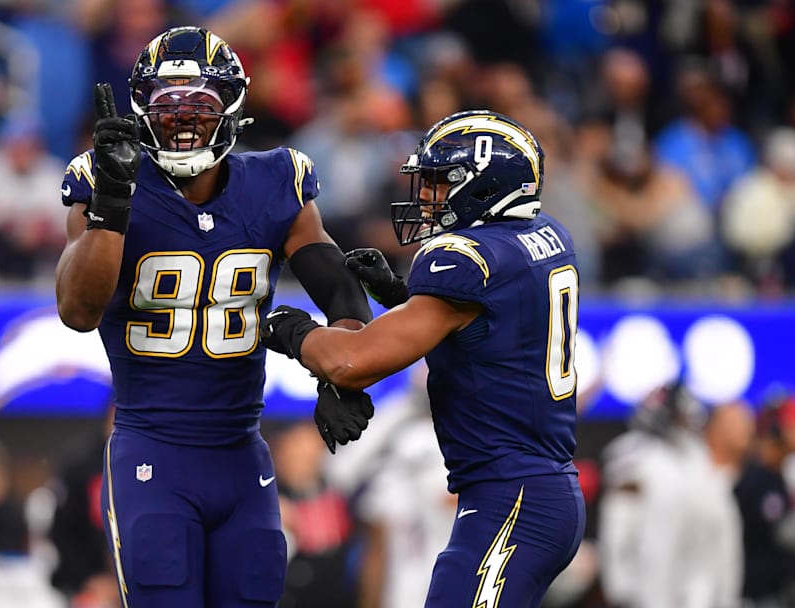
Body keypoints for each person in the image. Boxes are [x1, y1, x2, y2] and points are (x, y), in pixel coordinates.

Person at [53, 26, 374, 607]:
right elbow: (78, 310)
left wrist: (345, 372)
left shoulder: (276, 182)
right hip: (152, 454)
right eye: (167, 104)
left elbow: (339, 290)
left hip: (242, 453)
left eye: (199, 103)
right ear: (141, 111)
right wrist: (112, 203)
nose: (183, 118)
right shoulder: (105, 177)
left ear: (230, 107)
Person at [261, 110, 585, 607]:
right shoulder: (543, 236)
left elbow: (351, 361)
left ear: (487, 186)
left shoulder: (467, 260)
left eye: (439, 182)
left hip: (512, 498)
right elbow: (488, 324)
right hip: (536, 490)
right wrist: (399, 295)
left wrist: (290, 329)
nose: (426, 196)